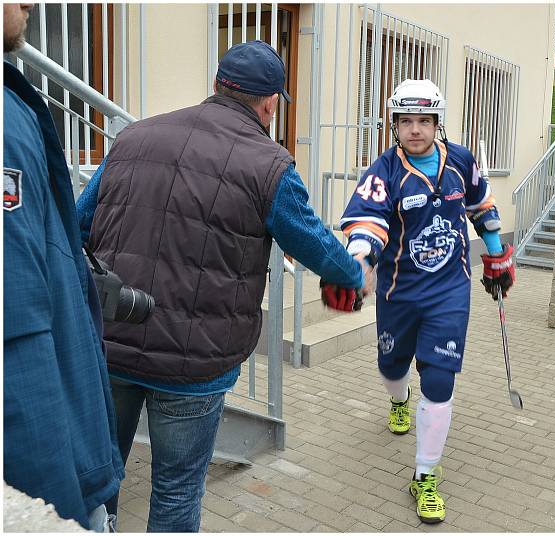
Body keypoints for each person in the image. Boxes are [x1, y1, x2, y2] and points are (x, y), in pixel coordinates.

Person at [76, 40, 371, 532]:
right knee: (175, 491)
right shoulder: (269, 164)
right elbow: (316, 243)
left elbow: (78, 224)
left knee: (100, 482)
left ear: (216, 85)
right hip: (195, 365)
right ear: (271, 101)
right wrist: (356, 274)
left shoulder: (134, 138)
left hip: (112, 343)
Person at [339, 79, 515, 524]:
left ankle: (425, 475)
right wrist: (358, 264)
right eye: (406, 121)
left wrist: (497, 256)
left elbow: (481, 206)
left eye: (424, 121)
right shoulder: (383, 172)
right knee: (392, 366)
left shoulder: (460, 162)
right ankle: (398, 401)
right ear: (393, 125)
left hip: (449, 290)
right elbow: (367, 223)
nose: (415, 130)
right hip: (399, 292)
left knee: (439, 379)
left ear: (438, 123)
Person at [3, 3, 124, 531]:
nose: (28, 3)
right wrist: (60, 500)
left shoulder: (14, 105)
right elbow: (15, 325)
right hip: (47, 459)